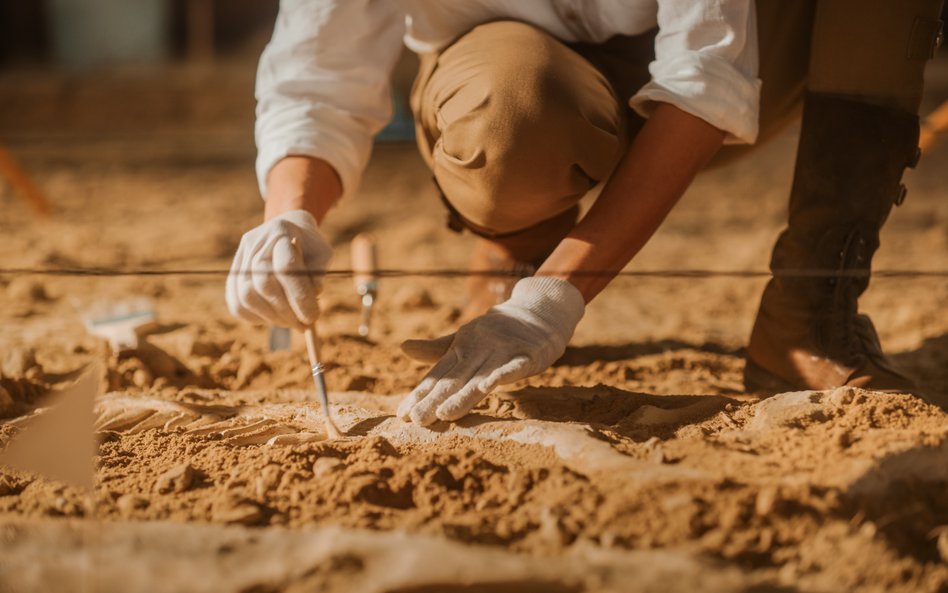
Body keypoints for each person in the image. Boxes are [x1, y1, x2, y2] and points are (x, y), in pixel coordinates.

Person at [227, 1, 945, 427]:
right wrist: (290, 215)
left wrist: (555, 298)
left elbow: (706, 79)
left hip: (741, 70)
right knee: (513, 109)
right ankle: (517, 241)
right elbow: (317, 76)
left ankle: (812, 302)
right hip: (513, 81)